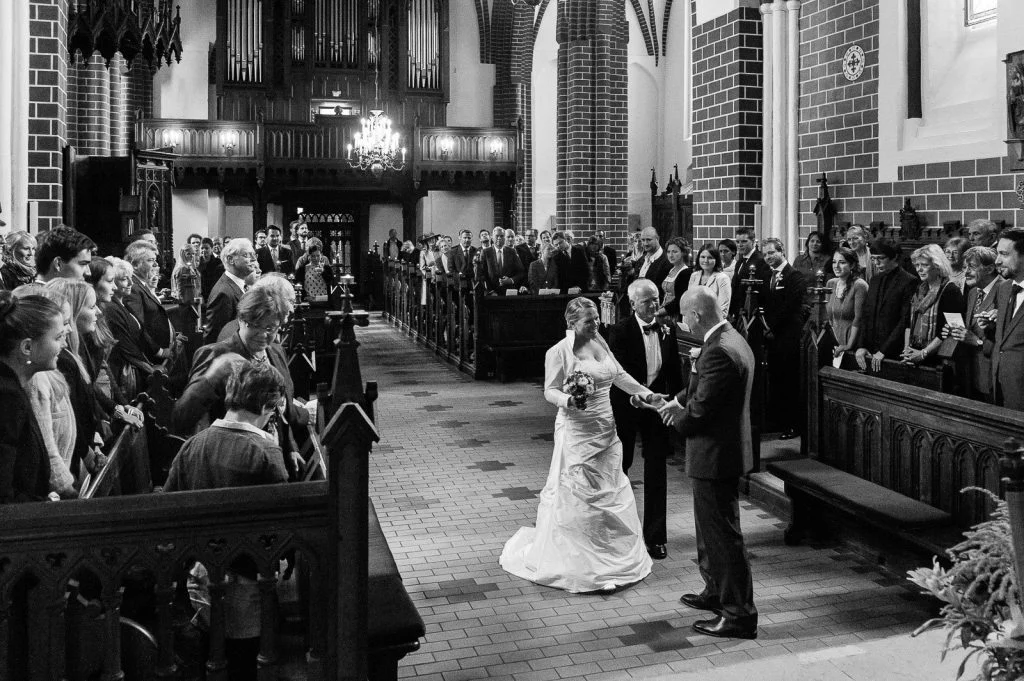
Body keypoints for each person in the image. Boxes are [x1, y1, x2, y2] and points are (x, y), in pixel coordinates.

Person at [500, 297, 661, 593]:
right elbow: (549, 390)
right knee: (581, 491)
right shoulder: (559, 352)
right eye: (588, 321)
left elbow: (620, 375)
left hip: (606, 428)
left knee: (612, 485)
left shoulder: (600, 341)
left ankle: (613, 557)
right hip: (578, 430)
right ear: (571, 323)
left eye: (597, 318)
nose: (595, 324)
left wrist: (647, 395)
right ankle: (582, 563)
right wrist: (569, 400)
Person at [164, 360, 289, 681]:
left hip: (201, 576)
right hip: (246, 581)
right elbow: (282, 522)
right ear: (265, 405)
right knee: (244, 662)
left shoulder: (193, 445)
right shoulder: (264, 452)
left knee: (211, 655)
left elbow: (167, 505)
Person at [657, 287, 758, 640]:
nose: (683, 323)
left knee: (723, 536)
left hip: (717, 454)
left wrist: (674, 419)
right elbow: (700, 387)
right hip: (720, 451)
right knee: (711, 531)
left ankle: (738, 614)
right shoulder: (730, 338)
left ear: (697, 315)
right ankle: (715, 590)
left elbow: (700, 411)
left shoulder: (720, 351)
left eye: (685, 316)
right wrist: (675, 400)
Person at [174, 287, 308, 477]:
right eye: (254, 325)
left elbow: (279, 408)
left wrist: (289, 446)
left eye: (270, 328)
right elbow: (181, 417)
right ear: (241, 320)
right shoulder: (215, 353)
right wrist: (212, 376)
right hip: (231, 464)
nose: (263, 335)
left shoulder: (276, 352)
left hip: (272, 458)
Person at [609, 280, 683, 560]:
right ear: (632, 305)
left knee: (657, 472)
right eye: (647, 301)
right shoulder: (619, 332)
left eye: (656, 299)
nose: (654, 305)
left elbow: (674, 370)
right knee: (622, 467)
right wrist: (637, 398)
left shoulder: (667, 329)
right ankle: (622, 533)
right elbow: (617, 378)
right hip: (627, 407)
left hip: (658, 408)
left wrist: (675, 404)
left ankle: (655, 537)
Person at [0, 291, 65, 503]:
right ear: (27, 347)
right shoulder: (7, 396)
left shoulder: (12, 386)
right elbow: (3, 493)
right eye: (57, 338)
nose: (63, 344)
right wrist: (41, 504)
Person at [761, 238, 807, 439]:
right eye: (765, 254)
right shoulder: (767, 275)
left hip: (788, 334)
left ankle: (792, 424)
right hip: (771, 335)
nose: (768, 257)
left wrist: (772, 326)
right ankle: (777, 420)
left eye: (771, 253)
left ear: (782, 252)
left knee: (789, 380)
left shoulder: (793, 275)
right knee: (776, 378)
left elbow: (791, 305)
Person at [945, 246, 1002, 401]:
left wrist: (976, 341)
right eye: (965, 267)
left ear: (990, 268)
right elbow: (971, 329)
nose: (966, 272)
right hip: (971, 373)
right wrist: (954, 330)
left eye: (972, 267)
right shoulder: (973, 292)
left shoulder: (1006, 290)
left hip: (994, 377)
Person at [855, 239, 918, 372]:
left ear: (894, 257)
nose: (876, 263)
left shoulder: (909, 281)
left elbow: (905, 320)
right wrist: (861, 345)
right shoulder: (875, 280)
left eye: (881, 259)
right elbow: (866, 315)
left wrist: (884, 350)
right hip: (870, 349)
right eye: (873, 259)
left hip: (893, 352)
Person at [979, 229, 1024, 409]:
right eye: (998, 253)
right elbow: (1003, 341)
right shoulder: (1004, 288)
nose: (997, 261)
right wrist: (991, 327)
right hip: (1000, 386)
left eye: (1004, 254)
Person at [900, 244, 964, 367]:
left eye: (925, 265)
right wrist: (907, 352)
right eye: (917, 265)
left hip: (937, 357)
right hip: (914, 352)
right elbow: (908, 324)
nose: (919, 269)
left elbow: (951, 329)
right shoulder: (920, 288)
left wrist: (923, 353)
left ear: (937, 266)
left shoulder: (950, 290)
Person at [102, 257, 154, 400]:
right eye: (125, 279)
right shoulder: (111, 308)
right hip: (121, 372)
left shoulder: (123, 303)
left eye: (131, 278)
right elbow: (125, 346)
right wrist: (149, 368)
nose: (131, 283)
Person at [124, 239, 175, 364]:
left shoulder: (141, 284)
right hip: (152, 358)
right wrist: (158, 351)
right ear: (135, 264)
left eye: (154, 260)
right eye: (150, 260)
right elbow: (138, 326)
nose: (154, 265)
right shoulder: (133, 288)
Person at [205, 237, 257, 344]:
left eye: (254, 254)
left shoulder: (239, 285)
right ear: (230, 259)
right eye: (246, 255)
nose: (253, 259)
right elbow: (215, 338)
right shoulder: (223, 293)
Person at [826, 247, 869, 367]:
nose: (836, 266)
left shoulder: (860, 285)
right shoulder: (831, 283)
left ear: (852, 265)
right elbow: (829, 317)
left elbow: (858, 319)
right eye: (834, 262)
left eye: (842, 262)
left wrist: (848, 345)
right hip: (834, 341)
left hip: (852, 342)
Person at [729, 226, 771, 319]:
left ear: (752, 241)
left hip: (752, 312)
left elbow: (763, 289)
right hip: (738, 311)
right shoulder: (740, 261)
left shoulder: (761, 261)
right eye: (738, 242)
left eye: (744, 241)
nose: (740, 245)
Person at [685, 243, 731, 318]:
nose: (705, 260)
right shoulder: (694, 276)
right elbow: (688, 302)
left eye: (710, 258)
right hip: (693, 322)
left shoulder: (723, 278)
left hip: (712, 324)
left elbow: (723, 310)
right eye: (703, 257)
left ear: (716, 260)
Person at [480, 228, 525, 294]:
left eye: (502, 236)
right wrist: (490, 291)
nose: (499, 238)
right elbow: (482, 274)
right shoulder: (485, 252)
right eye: (497, 236)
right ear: (492, 238)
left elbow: (521, 272)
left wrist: (511, 280)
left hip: (509, 292)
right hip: (492, 293)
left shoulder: (512, 251)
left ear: (504, 238)